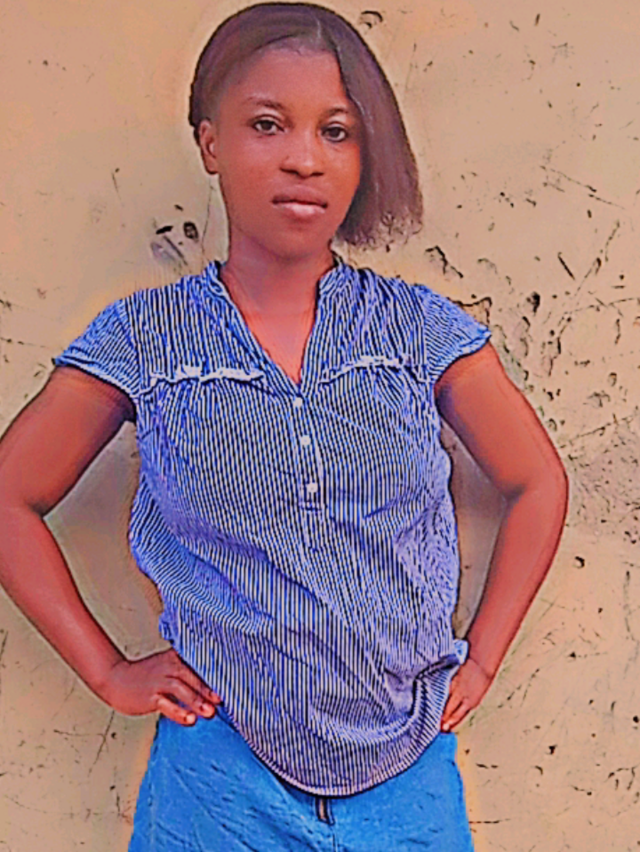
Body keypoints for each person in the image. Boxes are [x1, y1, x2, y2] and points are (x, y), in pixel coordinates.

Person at [0, 3, 568, 850]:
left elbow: (538, 481)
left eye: (337, 132)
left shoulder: (417, 332)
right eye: (267, 124)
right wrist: (109, 670)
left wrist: (481, 657)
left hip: (406, 775)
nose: (305, 158)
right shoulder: (147, 342)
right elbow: (10, 497)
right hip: (220, 779)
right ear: (210, 143)